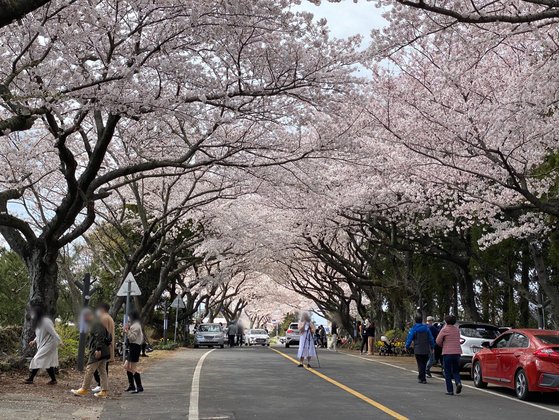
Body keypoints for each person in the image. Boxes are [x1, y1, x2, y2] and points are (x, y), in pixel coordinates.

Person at [71, 309, 111, 397]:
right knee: (102, 371)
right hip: (104, 350)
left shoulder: (95, 323)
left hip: (99, 350)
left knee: (89, 369)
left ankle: (84, 389)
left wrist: (98, 349)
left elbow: (99, 336)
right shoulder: (97, 322)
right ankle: (104, 391)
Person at [24, 305, 62, 385]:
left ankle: (30, 378)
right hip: (44, 343)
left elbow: (53, 332)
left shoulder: (46, 321)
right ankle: (53, 380)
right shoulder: (38, 322)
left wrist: (60, 341)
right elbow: (40, 334)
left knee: (37, 358)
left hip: (50, 343)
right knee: (47, 361)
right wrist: (34, 341)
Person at [436, 315, 463, 396]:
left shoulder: (444, 329)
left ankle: (450, 390)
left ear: (446, 321)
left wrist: (442, 345)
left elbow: (438, 341)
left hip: (447, 352)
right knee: (455, 371)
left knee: (447, 372)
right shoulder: (457, 330)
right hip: (457, 352)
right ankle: (458, 382)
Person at [92, 303, 114, 393]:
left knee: (98, 366)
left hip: (103, 346)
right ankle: (102, 386)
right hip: (108, 345)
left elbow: (100, 333)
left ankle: (101, 385)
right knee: (103, 367)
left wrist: (98, 347)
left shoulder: (104, 318)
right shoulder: (109, 317)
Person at [405, 315, 435, 384]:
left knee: (420, 363)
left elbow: (409, 338)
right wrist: (432, 347)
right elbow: (431, 338)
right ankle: (422, 378)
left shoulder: (414, 329)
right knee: (424, 363)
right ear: (422, 321)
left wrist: (407, 346)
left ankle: (421, 377)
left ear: (415, 321)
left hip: (417, 349)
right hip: (426, 349)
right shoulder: (426, 329)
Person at [124, 310, 144, 393]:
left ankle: (139, 386)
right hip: (134, 347)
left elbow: (132, 338)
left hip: (135, 347)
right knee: (126, 366)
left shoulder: (135, 326)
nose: (128, 318)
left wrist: (127, 331)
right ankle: (132, 385)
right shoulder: (135, 325)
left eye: (129, 316)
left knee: (133, 368)